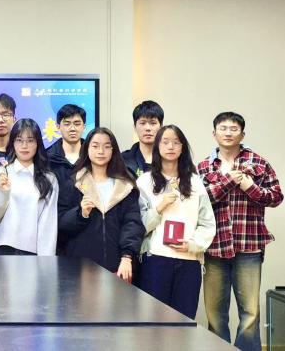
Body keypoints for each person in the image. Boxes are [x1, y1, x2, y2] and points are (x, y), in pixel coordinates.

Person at [198, 112, 283, 351]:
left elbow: (276, 197)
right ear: (214, 134)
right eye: (223, 128)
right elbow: (198, 202)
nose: (228, 133)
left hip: (250, 247)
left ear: (242, 134)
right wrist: (228, 181)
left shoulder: (259, 163)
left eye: (234, 129)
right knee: (215, 314)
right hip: (214, 247)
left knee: (250, 312)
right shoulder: (203, 166)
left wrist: (249, 185)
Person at [137, 125, 215, 319]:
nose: (171, 147)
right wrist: (159, 208)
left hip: (189, 261)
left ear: (183, 148)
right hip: (155, 259)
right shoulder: (144, 182)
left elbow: (207, 223)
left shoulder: (196, 182)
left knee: (184, 321)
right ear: (157, 146)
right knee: (153, 320)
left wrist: (192, 245)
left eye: (176, 142)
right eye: (165, 142)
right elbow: (138, 226)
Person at [58, 127, 143, 282]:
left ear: (113, 150)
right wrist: (81, 213)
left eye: (106, 146)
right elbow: (60, 223)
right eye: (95, 146)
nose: (101, 151)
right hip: (81, 270)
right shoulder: (74, 183)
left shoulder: (125, 185)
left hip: (118, 267)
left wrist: (127, 257)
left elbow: (132, 223)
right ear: (87, 149)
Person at [0, 119, 59, 255]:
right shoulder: (0, 173)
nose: (24, 146)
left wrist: (46, 260)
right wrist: (3, 193)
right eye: (19, 140)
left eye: (30, 140)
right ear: (12, 143)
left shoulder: (49, 179)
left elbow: (49, 224)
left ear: (38, 144)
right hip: (2, 248)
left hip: (33, 252)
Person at [46, 104, 86, 186]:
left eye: (77, 124)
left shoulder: (91, 155)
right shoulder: (47, 156)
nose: (72, 129)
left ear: (84, 127)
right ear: (58, 127)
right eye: (67, 124)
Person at [121, 100, 164, 178]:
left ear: (161, 127)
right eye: (142, 123)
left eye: (153, 123)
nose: (148, 128)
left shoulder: (169, 157)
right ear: (135, 127)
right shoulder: (123, 160)